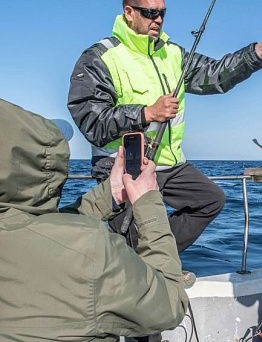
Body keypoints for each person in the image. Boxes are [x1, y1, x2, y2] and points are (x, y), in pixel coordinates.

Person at [67, 0, 262, 252]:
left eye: (162, 12)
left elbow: (216, 75)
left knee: (210, 200)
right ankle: (132, 266)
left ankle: (157, 260)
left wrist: (259, 51)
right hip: (122, 166)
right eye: (150, 13)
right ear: (129, 13)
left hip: (170, 164)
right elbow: (91, 121)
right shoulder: (100, 57)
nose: (158, 19)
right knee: (127, 234)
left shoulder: (173, 53)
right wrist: (146, 113)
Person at [0, 98, 188, 341]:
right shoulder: (91, 252)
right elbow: (170, 305)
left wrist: (109, 194)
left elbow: (29, 230)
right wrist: (149, 204)